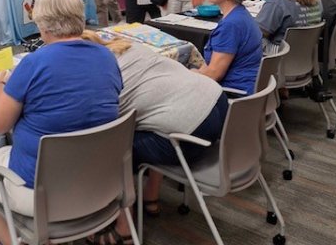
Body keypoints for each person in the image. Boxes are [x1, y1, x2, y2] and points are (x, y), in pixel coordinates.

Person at [0, 0, 122, 245]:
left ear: (43, 26)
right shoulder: (107, 57)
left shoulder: (34, 63)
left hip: (42, 190)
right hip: (100, 182)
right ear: (80, 18)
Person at [81, 30, 229, 244]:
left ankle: (124, 227)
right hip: (218, 103)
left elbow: (107, 125)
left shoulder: (101, 78)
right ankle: (151, 197)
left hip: (190, 132)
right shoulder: (132, 47)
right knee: (152, 120)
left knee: (116, 149)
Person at [197, 0, 263, 95]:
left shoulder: (231, 25)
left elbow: (213, 75)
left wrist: (188, 74)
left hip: (234, 93)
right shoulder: (240, 14)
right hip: (247, 86)